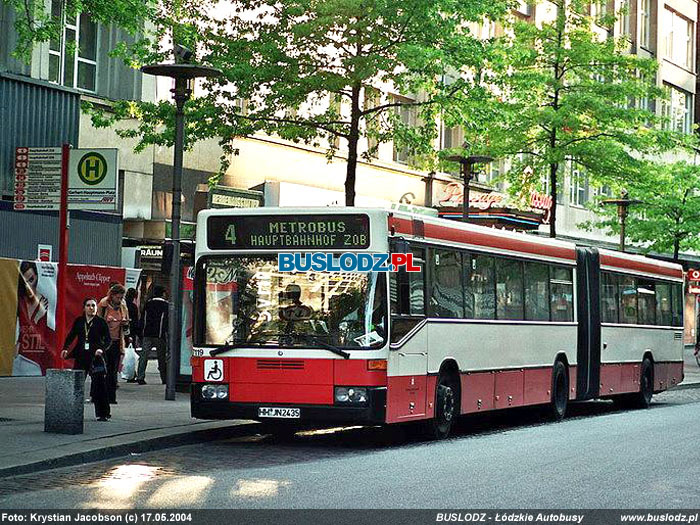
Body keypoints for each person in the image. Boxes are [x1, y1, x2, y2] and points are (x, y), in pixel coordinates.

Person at [61, 298, 111, 421]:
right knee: (76, 384)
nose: (91, 308)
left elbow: (108, 340)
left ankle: (103, 413)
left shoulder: (100, 322)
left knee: (99, 385)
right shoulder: (79, 321)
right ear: (84, 308)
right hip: (81, 356)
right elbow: (71, 335)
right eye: (88, 305)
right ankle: (72, 411)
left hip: (96, 357)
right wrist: (65, 348)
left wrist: (102, 349)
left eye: (93, 305)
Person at [97, 284, 129, 403]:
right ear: (112, 296)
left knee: (113, 370)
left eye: (121, 298)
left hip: (116, 341)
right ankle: (100, 395)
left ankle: (111, 397)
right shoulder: (103, 305)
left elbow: (127, 328)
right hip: (104, 341)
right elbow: (96, 322)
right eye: (118, 298)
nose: (119, 300)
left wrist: (125, 324)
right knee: (103, 369)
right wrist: (106, 321)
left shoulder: (123, 306)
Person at [140, 286, 169, 385]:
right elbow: (167, 320)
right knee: (161, 357)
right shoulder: (165, 305)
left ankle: (140, 376)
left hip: (147, 333)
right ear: (163, 293)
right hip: (160, 334)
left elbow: (143, 318)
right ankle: (164, 378)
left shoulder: (148, 303)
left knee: (144, 356)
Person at [124, 288, 142, 383]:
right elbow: (135, 322)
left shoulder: (123, 304)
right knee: (130, 354)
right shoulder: (133, 306)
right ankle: (130, 374)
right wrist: (139, 334)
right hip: (131, 333)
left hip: (122, 332)